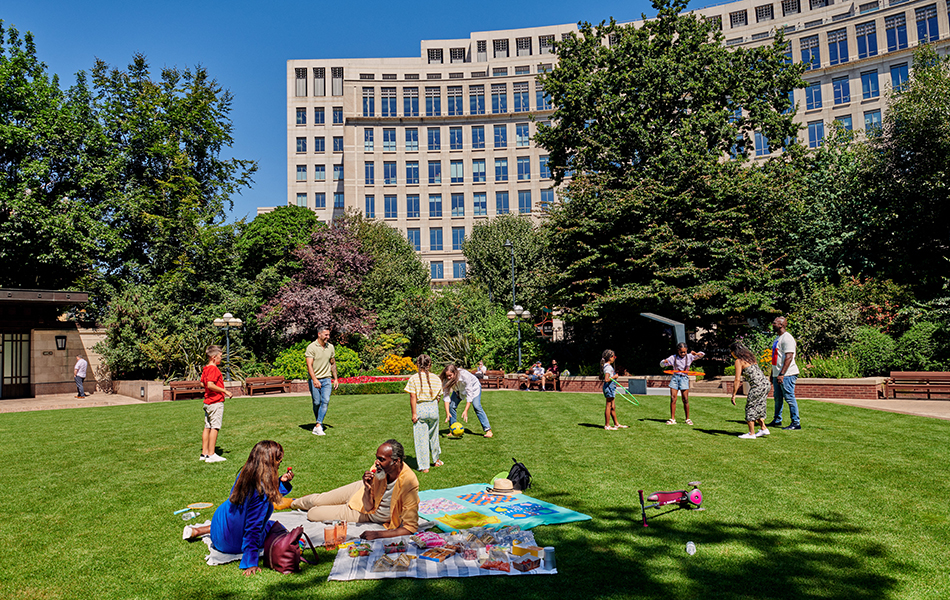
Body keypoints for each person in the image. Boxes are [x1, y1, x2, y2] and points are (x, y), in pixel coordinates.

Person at [183, 440, 294, 575]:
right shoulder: (261, 494)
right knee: (277, 529)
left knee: (251, 522)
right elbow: (253, 529)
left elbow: (266, 491)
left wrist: (280, 481)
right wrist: (251, 562)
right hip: (231, 544)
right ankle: (202, 530)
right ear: (270, 463)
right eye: (278, 462)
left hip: (219, 527)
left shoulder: (245, 473)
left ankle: (200, 530)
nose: (279, 464)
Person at [290, 440, 420, 540]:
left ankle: (306, 504)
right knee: (317, 500)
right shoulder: (379, 470)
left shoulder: (409, 483)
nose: (376, 463)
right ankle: (291, 502)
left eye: (381, 459)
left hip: (366, 513)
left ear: (396, 462)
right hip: (360, 490)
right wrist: (367, 488)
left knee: (313, 513)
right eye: (376, 458)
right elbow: (369, 501)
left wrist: (378, 534)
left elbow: (410, 527)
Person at [405, 355, 443, 472]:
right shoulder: (436, 378)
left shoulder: (414, 379)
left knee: (421, 439)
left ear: (417, 365)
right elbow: (438, 396)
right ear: (430, 365)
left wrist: (414, 414)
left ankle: (424, 466)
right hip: (433, 408)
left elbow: (413, 396)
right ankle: (436, 460)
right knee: (434, 437)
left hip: (421, 409)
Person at [728, 343, 771, 439]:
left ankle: (751, 433)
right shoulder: (751, 359)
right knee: (758, 407)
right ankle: (764, 429)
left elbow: (737, 379)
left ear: (734, 352)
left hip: (757, 386)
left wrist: (733, 395)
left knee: (750, 407)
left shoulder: (739, 361)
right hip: (765, 384)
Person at [440, 364, 493, 438]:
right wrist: (447, 412)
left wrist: (466, 410)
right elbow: (446, 397)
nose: (448, 378)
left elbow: (469, 394)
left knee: (477, 406)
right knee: (451, 406)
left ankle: (488, 430)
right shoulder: (446, 380)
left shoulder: (464, 375)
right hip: (459, 390)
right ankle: (453, 429)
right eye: (447, 376)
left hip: (474, 388)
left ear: (455, 373)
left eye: (450, 375)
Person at [767, 316, 801, 430]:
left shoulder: (787, 338)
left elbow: (789, 357)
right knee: (777, 398)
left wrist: (782, 374)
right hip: (778, 374)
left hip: (787, 374)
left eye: (774, 323)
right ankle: (777, 420)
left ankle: (796, 422)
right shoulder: (778, 338)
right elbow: (776, 358)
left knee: (789, 397)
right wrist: (773, 374)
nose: (772, 325)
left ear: (781, 325)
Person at [660, 343, 705, 425]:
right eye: (681, 352)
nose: (683, 354)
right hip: (675, 378)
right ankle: (672, 419)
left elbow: (702, 354)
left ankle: (687, 419)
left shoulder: (690, 356)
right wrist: (664, 361)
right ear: (678, 351)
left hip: (684, 378)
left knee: (685, 399)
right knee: (673, 398)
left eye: (684, 352)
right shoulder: (673, 357)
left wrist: (696, 354)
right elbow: (662, 364)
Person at [201, 345, 232, 462]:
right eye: (220, 356)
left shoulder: (206, 368)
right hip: (215, 402)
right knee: (215, 427)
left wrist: (210, 389)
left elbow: (202, 384)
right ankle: (211, 454)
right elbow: (210, 384)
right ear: (214, 357)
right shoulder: (213, 369)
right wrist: (225, 391)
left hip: (208, 402)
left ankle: (204, 453)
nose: (221, 358)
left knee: (207, 427)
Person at [305, 325, 338, 436]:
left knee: (325, 401)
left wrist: (336, 379)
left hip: (327, 379)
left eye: (328, 334)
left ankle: (318, 425)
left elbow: (333, 363)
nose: (328, 337)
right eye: (326, 335)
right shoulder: (311, 347)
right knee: (316, 402)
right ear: (319, 334)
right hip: (315, 380)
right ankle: (318, 424)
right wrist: (314, 380)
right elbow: (309, 366)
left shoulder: (331, 347)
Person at [601, 350, 627, 430]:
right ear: (610, 358)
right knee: (609, 405)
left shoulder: (606, 366)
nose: (614, 358)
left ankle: (616, 424)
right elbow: (606, 379)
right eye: (614, 357)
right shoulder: (608, 367)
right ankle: (607, 425)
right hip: (609, 387)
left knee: (613, 406)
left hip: (610, 387)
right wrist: (614, 377)